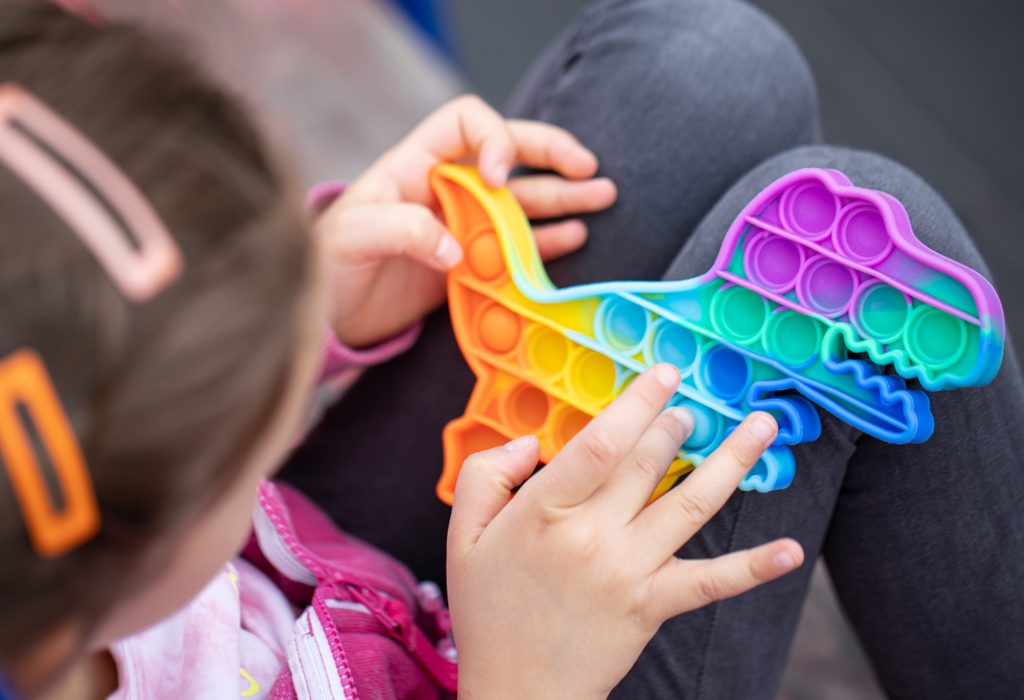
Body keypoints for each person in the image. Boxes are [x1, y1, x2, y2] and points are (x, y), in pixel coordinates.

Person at [0, 3, 803, 698]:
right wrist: (525, 686)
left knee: (715, 64)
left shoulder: (63, 570)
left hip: (335, 584)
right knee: (877, 210)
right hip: (531, 669)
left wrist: (295, 302)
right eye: (243, 439)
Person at [283, 0, 1024, 698]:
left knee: (713, 64)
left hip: (277, 551)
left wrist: (291, 319)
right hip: (515, 672)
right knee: (884, 217)